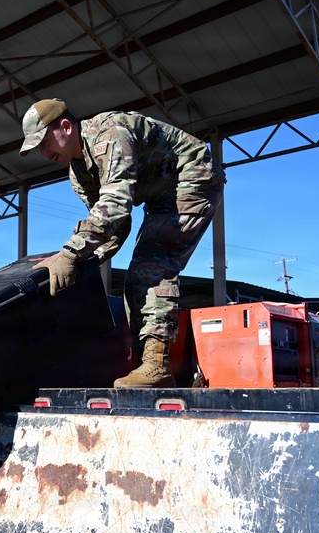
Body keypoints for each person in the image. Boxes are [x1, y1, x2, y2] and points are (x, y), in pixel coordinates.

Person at [21, 99, 225, 388]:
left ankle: (157, 366)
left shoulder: (110, 133)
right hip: (161, 193)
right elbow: (116, 225)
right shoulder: (78, 175)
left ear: (65, 126)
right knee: (134, 277)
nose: (43, 154)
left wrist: (70, 254)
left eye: (43, 142)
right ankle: (148, 362)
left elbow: (115, 205)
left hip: (192, 176)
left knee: (152, 264)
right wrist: (83, 264)